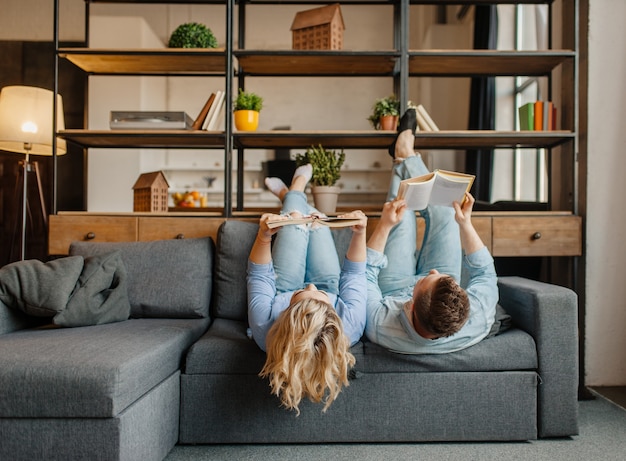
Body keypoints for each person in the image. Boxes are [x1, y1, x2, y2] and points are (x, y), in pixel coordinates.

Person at [365, 108, 498, 354]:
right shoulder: (477, 318)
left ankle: (402, 158)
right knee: (449, 212)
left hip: (394, 285)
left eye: (431, 277)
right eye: (444, 278)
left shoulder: (381, 324)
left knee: (401, 215)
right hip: (430, 297)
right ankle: (404, 157)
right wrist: (465, 223)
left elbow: (363, 276)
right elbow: (485, 273)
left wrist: (384, 225)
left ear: (411, 307)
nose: (434, 271)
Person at [247, 163, 367, 414]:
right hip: (331, 284)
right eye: (320, 297)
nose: (311, 285)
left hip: (284, 285)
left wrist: (264, 236)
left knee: (296, 222)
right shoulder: (350, 326)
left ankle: (296, 188)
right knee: (316, 222)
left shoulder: (264, 328)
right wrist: (360, 233)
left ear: (284, 318)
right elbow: (354, 273)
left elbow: (259, 275)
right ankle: (290, 196)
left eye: (304, 294)